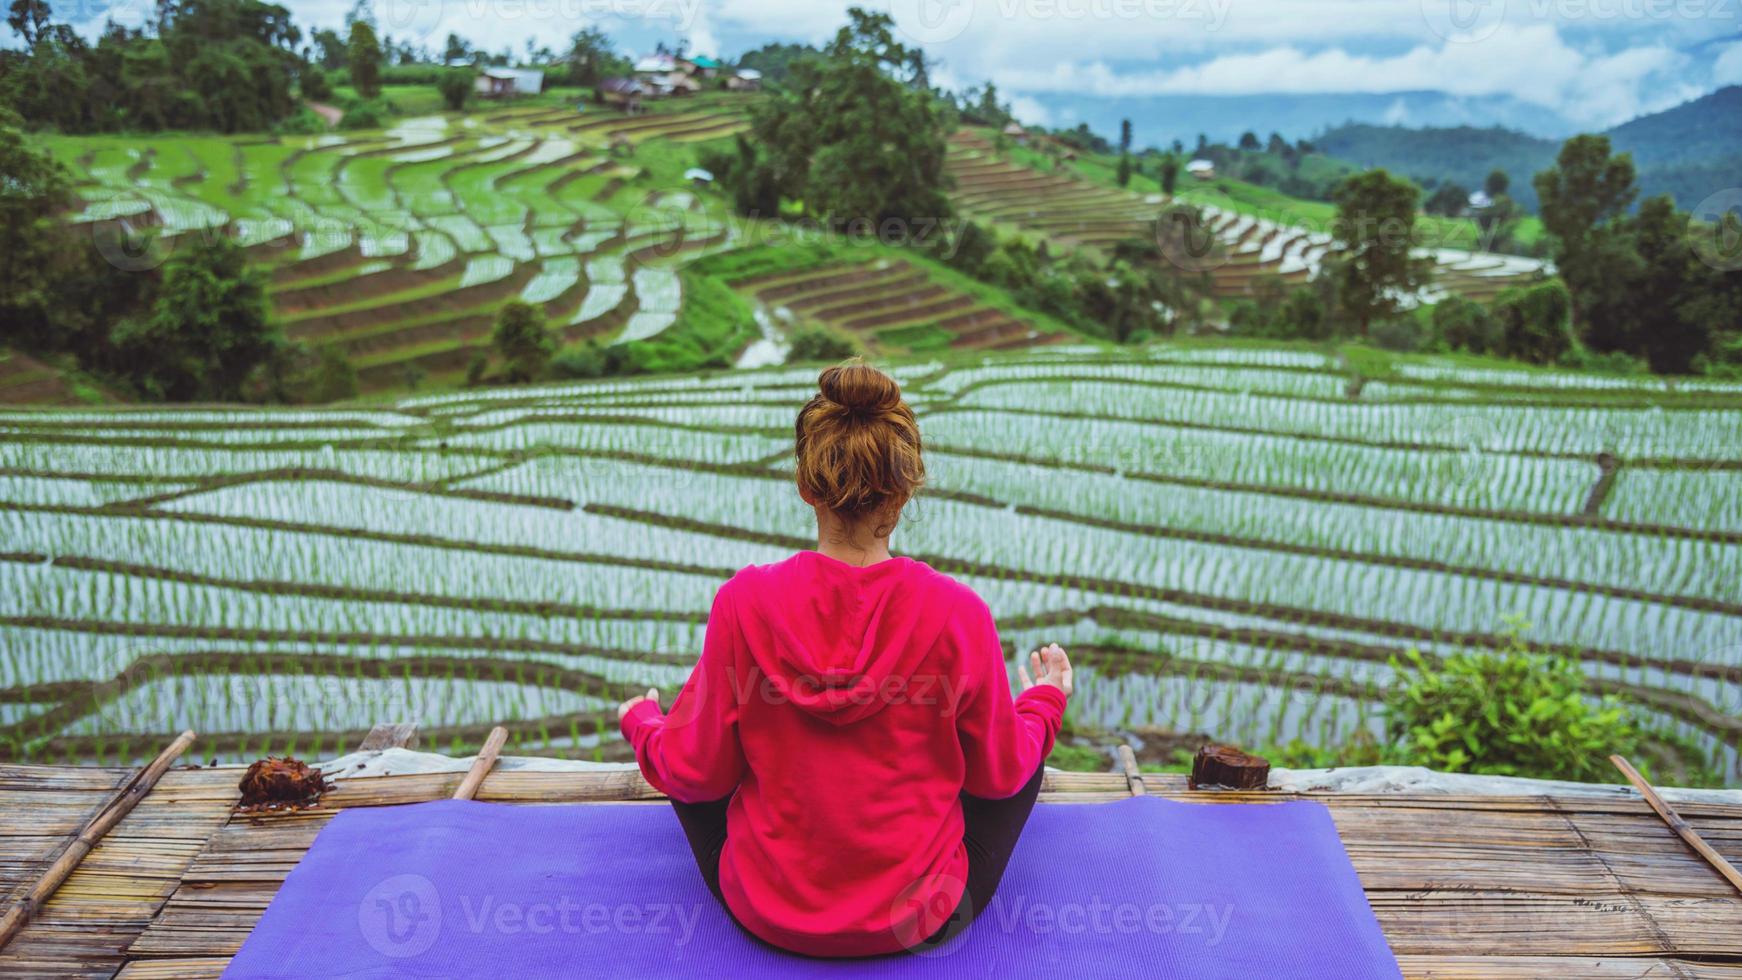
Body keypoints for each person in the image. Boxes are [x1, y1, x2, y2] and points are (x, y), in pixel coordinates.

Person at [616, 358, 1073, 958]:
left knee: (688, 757)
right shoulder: (959, 612)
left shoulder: (743, 602)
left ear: (807, 487)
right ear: (906, 489)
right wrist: (1046, 700)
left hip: (765, 912)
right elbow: (998, 773)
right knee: (1023, 752)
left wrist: (644, 724)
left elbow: (698, 772)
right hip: (919, 919)